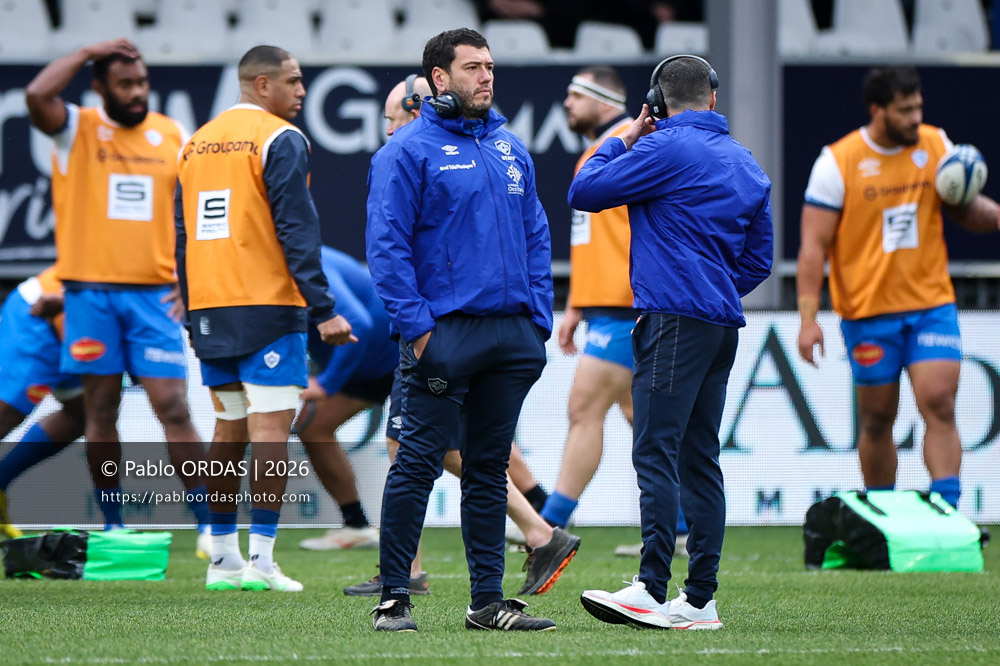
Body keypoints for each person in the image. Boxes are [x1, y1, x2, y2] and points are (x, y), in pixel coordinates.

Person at [570, 55, 772, 630]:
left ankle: (651, 587)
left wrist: (624, 138)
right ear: (713, 99)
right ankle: (700, 600)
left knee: (655, 451)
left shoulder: (662, 147)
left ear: (657, 103)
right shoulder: (746, 162)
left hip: (672, 320)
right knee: (700, 458)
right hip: (718, 324)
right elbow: (759, 259)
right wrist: (712, 287)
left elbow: (584, 189)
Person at [366, 30, 554, 632]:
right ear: (439, 79)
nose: (487, 77)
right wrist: (420, 333)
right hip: (443, 336)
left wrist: (539, 318)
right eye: (473, 67)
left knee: (487, 467)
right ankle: (394, 597)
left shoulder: (508, 146)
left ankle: (486, 604)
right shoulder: (405, 151)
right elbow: (386, 249)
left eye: (491, 66)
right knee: (417, 463)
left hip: (511, 335)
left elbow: (536, 236)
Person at [175, 45, 354, 593]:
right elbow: (296, 229)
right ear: (260, 84)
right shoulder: (280, 138)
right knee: (272, 428)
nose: (301, 91)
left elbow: (181, 233)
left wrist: (188, 301)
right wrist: (323, 309)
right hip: (268, 306)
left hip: (210, 308)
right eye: (294, 81)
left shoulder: (195, 143)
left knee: (229, 427)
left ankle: (222, 561)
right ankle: (263, 562)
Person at [24, 39, 210, 545]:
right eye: (125, 84)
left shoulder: (171, 134)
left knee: (173, 406)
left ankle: (208, 527)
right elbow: (37, 95)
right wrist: (88, 50)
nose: (137, 93)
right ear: (99, 88)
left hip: (153, 295)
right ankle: (113, 523)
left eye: (142, 83)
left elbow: (197, 213)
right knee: (100, 410)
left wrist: (188, 282)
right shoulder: (78, 129)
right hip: (90, 295)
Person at [796, 66, 1000, 509]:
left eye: (919, 107)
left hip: (931, 304)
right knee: (876, 419)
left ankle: (947, 508)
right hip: (868, 313)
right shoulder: (839, 161)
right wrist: (808, 321)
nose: (915, 118)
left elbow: (964, 209)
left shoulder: (936, 144)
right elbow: (813, 246)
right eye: (905, 111)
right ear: (878, 110)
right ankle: (883, 512)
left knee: (939, 402)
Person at [542, 65, 688, 559]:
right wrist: (576, 305)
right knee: (640, 421)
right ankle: (684, 528)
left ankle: (545, 527)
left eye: (573, 94)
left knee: (584, 409)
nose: (564, 104)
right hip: (610, 307)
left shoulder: (634, 148)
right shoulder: (605, 150)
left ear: (605, 102)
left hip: (630, 309)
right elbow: (596, 240)